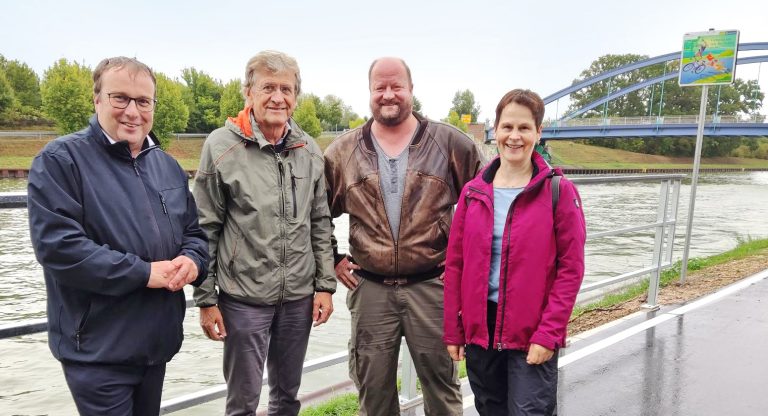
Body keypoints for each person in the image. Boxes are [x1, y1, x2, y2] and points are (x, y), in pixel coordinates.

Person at [27, 56, 209, 415]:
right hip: (98, 349)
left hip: (155, 345)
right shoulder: (61, 160)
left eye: (143, 101)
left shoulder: (167, 166)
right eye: (120, 98)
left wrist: (192, 260)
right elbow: (60, 248)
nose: (133, 111)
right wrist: (144, 273)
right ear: (97, 100)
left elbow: (194, 232)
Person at [325, 57, 484, 416]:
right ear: (369, 92)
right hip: (370, 291)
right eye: (379, 87)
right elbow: (317, 215)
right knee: (373, 391)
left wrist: (466, 264)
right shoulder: (343, 152)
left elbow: (487, 202)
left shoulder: (450, 144)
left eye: (396, 85)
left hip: (433, 288)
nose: (388, 94)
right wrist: (332, 257)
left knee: (442, 390)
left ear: (411, 89)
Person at [192, 50, 336, 415]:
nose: (277, 97)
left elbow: (319, 222)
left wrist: (324, 286)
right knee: (243, 400)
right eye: (267, 87)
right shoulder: (221, 147)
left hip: (298, 298)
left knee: (287, 397)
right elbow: (204, 227)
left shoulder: (308, 149)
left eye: (286, 89)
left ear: (295, 97)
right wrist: (206, 299)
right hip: (244, 298)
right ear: (248, 92)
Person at [443, 89, 586, 416]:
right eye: (507, 127)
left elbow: (571, 270)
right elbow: (455, 266)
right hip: (482, 332)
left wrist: (548, 334)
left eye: (524, 128)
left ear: (539, 131)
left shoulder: (558, 192)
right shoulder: (473, 193)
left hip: (531, 332)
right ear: (496, 131)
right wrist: (454, 328)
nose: (515, 136)